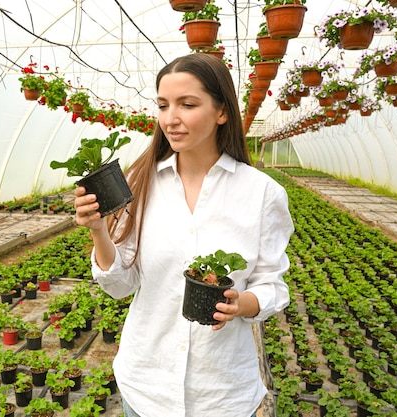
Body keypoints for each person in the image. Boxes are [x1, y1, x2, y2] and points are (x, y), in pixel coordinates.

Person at [74, 53, 294, 417]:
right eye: (163, 105)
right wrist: (100, 231)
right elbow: (120, 285)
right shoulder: (138, 182)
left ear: (221, 112)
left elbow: (273, 285)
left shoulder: (262, 193)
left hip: (221, 394)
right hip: (146, 386)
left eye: (187, 104)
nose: (170, 119)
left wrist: (242, 304)